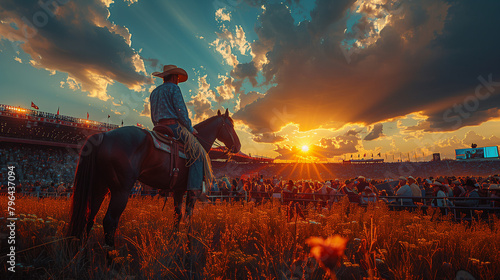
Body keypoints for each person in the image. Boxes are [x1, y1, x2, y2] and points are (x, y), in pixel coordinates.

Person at [150, 64, 211, 201]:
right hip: (174, 127)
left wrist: (157, 126)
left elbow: (153, 115)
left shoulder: (154, 92)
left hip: (158, 127)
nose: (178, 80)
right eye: (177, 77)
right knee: (198, 153)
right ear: (173, 77)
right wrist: (190, 128)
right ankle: (195, 189)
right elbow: (181, 112)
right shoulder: (174, 88)